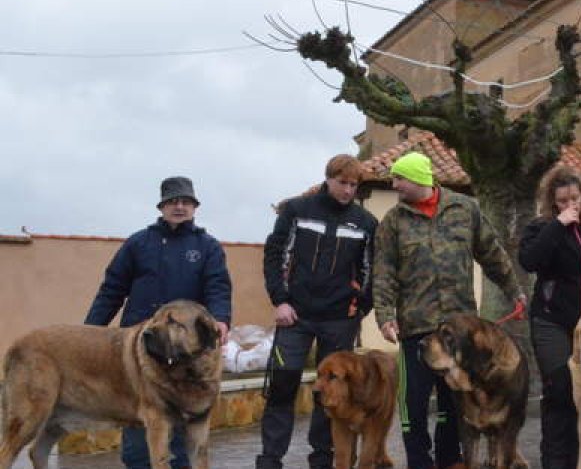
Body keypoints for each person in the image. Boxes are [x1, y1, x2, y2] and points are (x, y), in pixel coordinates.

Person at [374, 151, 527, 469]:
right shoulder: (393, 222)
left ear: (418, 178)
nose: (394, 184)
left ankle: (449, 461)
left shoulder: (465, 209)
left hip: (459, 332)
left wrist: (515, 291)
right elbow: (384, 272)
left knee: (453, 405)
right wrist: (386, 316)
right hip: (414, 329)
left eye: (399, 178)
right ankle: (418, 461)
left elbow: (492, 253)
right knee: (413, 404)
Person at [85, 175, 232, 469]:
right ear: (162, 206)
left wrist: (221, 320)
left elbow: (218, 287)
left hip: (185, 354)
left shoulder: (207, 246)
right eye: (173, 201)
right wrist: (91, 331)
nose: (179, 206)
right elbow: (112, 289)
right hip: (142, 352)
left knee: (178, 441)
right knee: (139, 443)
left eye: (186, 201)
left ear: (194, 207)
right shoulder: (139, 243)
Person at [256, 154, 379, 469]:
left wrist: (360, 306)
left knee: (334, 395)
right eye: (342, 183)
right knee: (282, 387)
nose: (348, 190)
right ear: (328, 179)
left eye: (353, 185)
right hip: (294, 315)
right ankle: (270, 459)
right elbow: (275, 254)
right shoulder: (297, 211)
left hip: (339, 320)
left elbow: (372, 271)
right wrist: (279, 300)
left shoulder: (366, 223)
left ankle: (323, 459)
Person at [519, 164, 581, 469]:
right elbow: (529, 261)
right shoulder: (540, 227)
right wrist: (557, 225)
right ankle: (554, 461)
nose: (570, 205)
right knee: (560, 387)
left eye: (574, 199)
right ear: (552, 201)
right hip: (550, 320)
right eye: (562, 201)